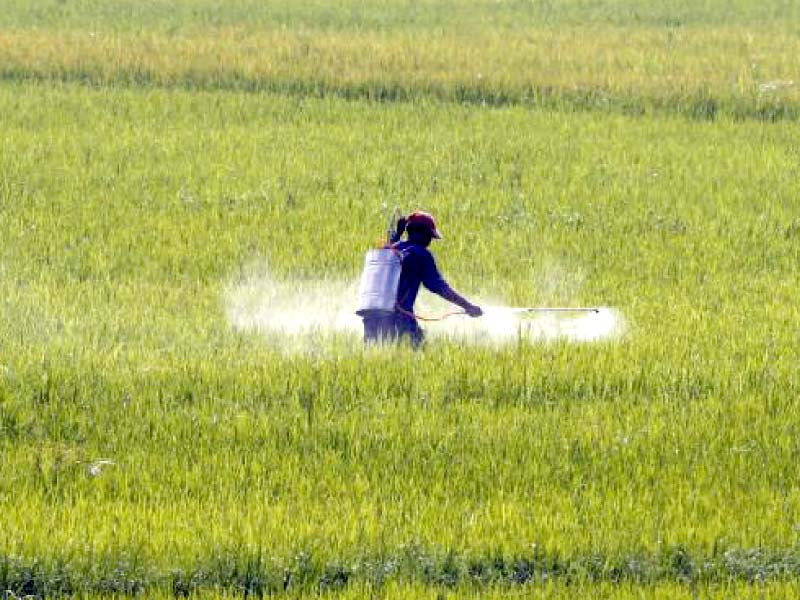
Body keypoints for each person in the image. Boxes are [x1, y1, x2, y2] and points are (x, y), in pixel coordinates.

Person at [362, 210, 483, 347]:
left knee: (375, 357)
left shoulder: (391, 249)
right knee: (418, 354)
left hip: (371, 315)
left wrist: (398, 234)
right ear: (424, 233)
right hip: (400, 317)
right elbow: (439, 287)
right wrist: (468, 306)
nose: (430, 241)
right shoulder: (421, 254)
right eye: (430, 236)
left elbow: (388, 259)